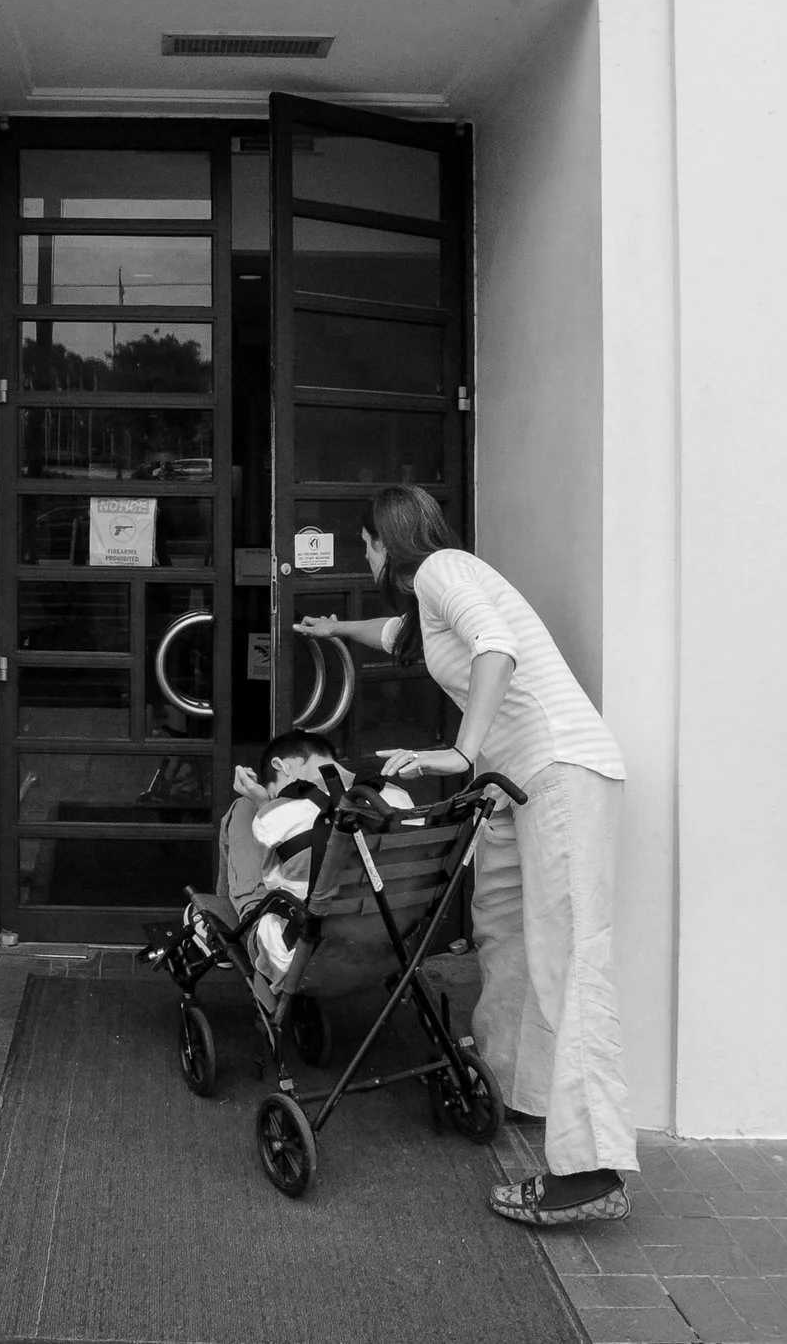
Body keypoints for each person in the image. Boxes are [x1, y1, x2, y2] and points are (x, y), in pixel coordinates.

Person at [294, 484, 636, 1226]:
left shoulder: (447, 569)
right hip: (513, 785)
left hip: (559, 769)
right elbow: (397, 634)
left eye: (367, 544)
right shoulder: (428, 599)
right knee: (501, 934)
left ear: (386, 541)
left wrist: (458, 750)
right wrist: (335, 628)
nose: (367, 556)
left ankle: (592, 1169)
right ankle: (516, 1090)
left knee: (571, 959)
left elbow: (497, 648)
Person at [223, 728, 413, 980]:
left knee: (242, 808)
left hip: (306, 955)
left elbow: (272, 888)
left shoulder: (277, 814)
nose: (279, 797)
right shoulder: (399, 797)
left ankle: (225, 932)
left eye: (274, 790)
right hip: (393, 943)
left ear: (281, 766)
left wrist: (263, 804)